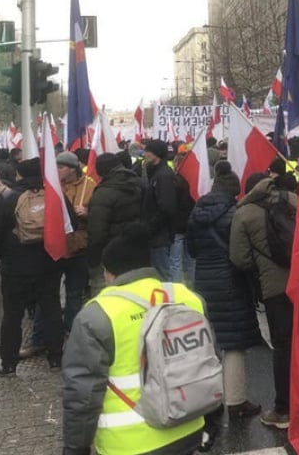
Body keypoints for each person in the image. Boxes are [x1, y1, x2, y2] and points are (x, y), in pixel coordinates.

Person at [61, 223, 211, 455]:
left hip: (130, 443)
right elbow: (206, 360)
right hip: (189, 427)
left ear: (110, 274)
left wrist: (75, 447)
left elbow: (83, 393)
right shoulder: (188, 298)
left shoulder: (98, 314)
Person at [186, 161, 262, 419]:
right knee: (234, 344)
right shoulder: (235, 214)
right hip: (231, 281)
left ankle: (209, 399)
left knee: (210, 342)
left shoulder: (196, 212)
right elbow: (241, 254)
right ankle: (236, 400)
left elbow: (191, 251)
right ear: (234, 191)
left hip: (203, 281)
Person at [0, 158, 64, 375]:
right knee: (52, 311)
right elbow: (68, 225)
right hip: (48, 263)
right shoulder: (54, 195)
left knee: (12, 316)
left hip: (15, 267)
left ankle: (8, 364)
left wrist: (3, 255)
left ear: (18, 175)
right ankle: (56, 357)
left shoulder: (8, 198)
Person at [229, 175, 298, 429]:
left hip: (274, 287)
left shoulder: (244, 213)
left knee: (283, 346)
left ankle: (283, 409)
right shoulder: (292, 199)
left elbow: (239, 258)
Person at [85, 153, 143, 295]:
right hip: (133, 245)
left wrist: (93, 256)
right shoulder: (136, 182)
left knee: (103, 289)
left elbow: (97, 230)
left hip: (108, 250)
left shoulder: (103, 193)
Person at [57, 151, 97, 330]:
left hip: (79, 245)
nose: (57, 170)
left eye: (61, 167)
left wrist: (88, 213)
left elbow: (99, 213)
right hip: (56, 245)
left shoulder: (90, 185)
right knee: (49, 291)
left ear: (73, 169)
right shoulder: (52, 184)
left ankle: (70, 327)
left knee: (74, 291)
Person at [141, 140, 185, 284]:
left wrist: (150, 227)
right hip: (157, 233)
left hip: (160, 234)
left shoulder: (163, 175)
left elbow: (166, 207)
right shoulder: (157, 173)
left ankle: (169, 303)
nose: (145, 154)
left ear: (157, 154)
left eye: (149, 151)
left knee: (162, 275)